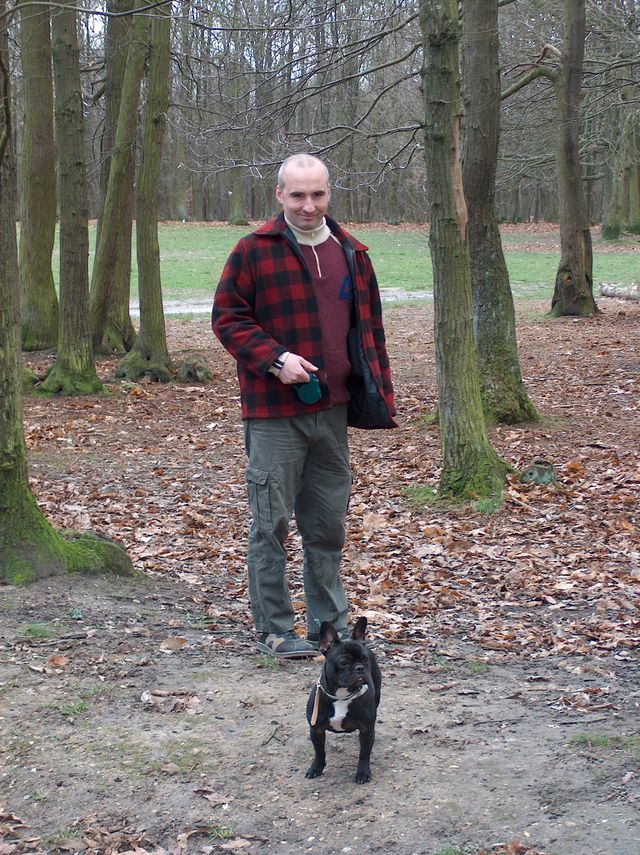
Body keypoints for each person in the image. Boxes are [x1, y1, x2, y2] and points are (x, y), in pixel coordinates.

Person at [212, 153, 396, 657]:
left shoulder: (352, 252)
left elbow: (370, 334)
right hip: (273, 413)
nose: (308, 205)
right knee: (269, 522)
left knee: (326, 524)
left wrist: (375, 394)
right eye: (298, 195)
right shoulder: (254, 250)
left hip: (332, 412)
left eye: (317, 194)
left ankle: (328, 625)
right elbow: (227, 319)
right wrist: (276, 360)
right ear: (279, 195)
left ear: (329, 192)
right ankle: (274, 627)